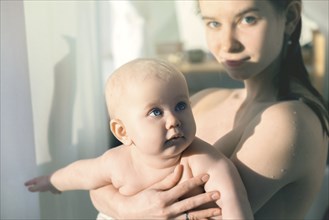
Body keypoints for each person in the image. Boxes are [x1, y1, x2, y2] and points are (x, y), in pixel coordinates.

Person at [89, 0, 329, 219]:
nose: (227, 43)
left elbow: (119, 188)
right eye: (213, 23)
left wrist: (113, 199)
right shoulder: (204, 100)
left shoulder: (287, 120)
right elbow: (108, 176)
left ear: (290, 18)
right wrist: (122, 205)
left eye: (248, 19)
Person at [25, 58, 253, 219]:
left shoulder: (204, 160)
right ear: (123, 132)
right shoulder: (117, 162)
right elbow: (81, 174)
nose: (173, 119)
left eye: (181, 105)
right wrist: (53, 181)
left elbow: (234, 203)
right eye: (156, 112)